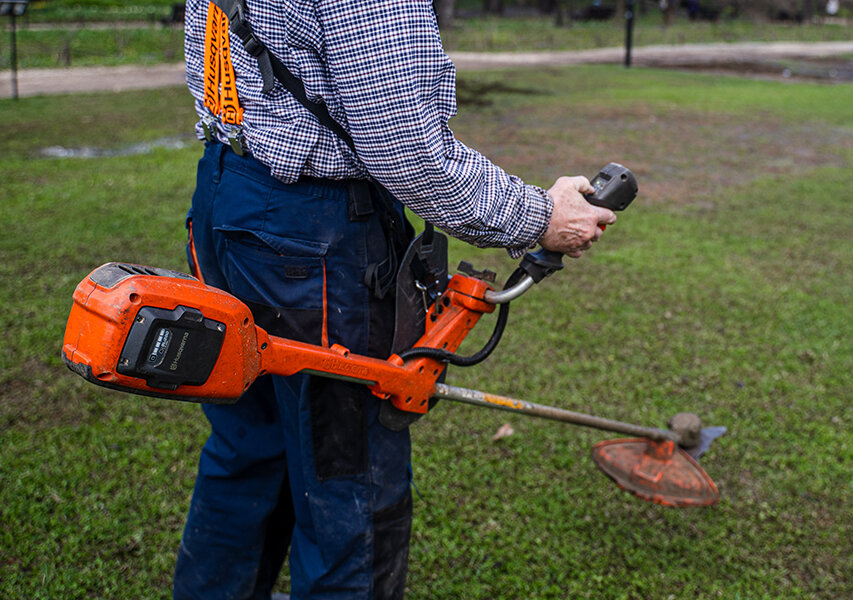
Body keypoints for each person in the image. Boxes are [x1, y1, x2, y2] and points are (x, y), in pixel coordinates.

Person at [174, 1, 616, 599]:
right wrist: (539, 216)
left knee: (247, 449)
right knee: (347, 482)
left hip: (229, 197)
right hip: (311, 244)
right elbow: (406, 149)